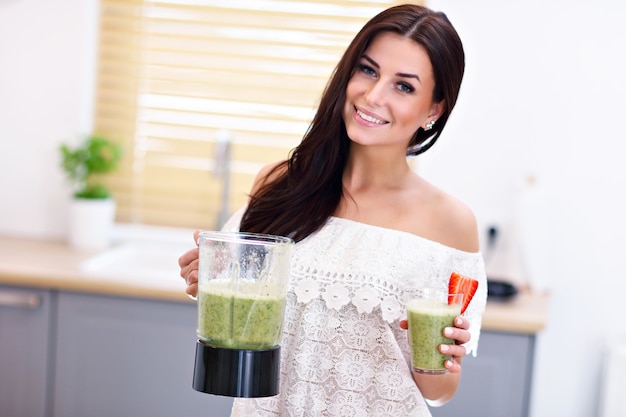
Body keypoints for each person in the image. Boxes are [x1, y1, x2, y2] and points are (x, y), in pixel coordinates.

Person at [178, 4, 487, 416]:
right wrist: (211, 281)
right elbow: (242, 327)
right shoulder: (280, 185)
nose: (374, 96)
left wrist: (432, 351)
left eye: (404, 86)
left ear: (433, 110)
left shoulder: (449, 222)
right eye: (369, 70)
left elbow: (440, 391)